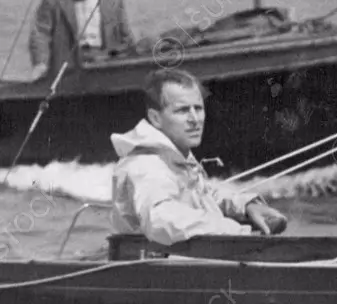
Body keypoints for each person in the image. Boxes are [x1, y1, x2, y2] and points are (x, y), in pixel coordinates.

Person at [110, 68, 287, 245]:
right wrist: (236, 231)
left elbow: (204, 195)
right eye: (182, 110)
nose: (195, 119)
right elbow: (161, 221)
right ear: (155, 118)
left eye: (198, 108)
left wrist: (247, 206)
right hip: (153, 265)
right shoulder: (147, 164)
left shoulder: (175, 156)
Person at [29, 0, 135, 81]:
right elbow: (40, 34)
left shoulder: (112, 1)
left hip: (105, 64)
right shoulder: (53, 1)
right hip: (68, 69)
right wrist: (40, 63)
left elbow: (126, 37)